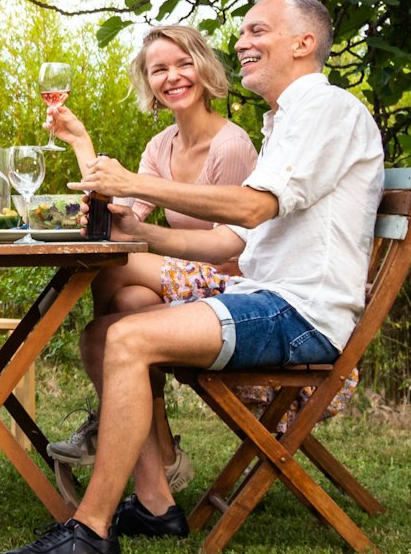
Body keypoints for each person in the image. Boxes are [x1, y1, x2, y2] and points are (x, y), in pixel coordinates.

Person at [0, 0, 383, 554]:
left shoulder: (326, 111)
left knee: (129, 335)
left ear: (305, 43)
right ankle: (156, 505)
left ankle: (91, 530)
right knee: (103, 331)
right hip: (260, 291)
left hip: (299, 313)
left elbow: (250, 209)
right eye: (244, 33)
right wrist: (139, 229)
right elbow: (235, 242)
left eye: (258, 31)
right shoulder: (289, 119)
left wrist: (139, 186)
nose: (243, 43)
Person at [41, 24, 258, 484]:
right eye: (160, 69)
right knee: (127, 306)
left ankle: (112, 422)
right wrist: (81, 142)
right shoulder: (162, 145)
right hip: (184, 286)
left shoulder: (231, 144)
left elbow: (231, 244)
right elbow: (119, 218)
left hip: (232, 292)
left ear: (204, 69)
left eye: (183, 64)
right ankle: (160, 458)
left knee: (113, 270)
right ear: (150, 83)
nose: (173, 76)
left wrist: (128, 231)